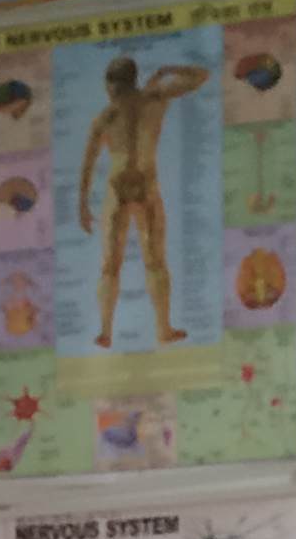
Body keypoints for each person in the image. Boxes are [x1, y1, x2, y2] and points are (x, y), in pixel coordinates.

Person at [77, 52, 210, 348]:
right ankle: (109, 330)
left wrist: (167, 68)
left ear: (114, 85)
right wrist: (165, 70)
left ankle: (154, 329)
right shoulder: (148, 100)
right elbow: (87, 163)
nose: (110, 92)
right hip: (131, 187)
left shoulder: (139, 103)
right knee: (124, 264)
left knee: (146, 262)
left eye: (111, 86)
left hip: (135, 188)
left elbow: (202, 76)